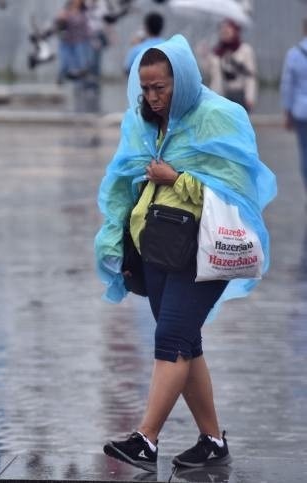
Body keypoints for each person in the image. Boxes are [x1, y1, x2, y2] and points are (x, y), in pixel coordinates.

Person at [94, 35, 276, 472]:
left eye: (162, 88)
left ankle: (146, 439)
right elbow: (123, 180)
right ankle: (212, 441)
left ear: (184, 80)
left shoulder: (219, 118)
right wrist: (115, 240)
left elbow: (236, 189)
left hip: (205, 251)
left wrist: (176, 177)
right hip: (156, 249)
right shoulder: (141, 123)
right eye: (146, 88)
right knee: (185, 344)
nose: (153, 98)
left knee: (170, 339)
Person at [280, 18, 307, 194]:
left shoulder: (294, 53)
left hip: (301, 111)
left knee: (305, 152)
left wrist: (287, 111)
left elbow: (287, 85)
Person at [207, 18, 257, 112]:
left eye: (228, 28)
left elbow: (250, 77)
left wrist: (250, 96)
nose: (225, 31)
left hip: (239, 95)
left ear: (235, 30)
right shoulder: (217, 52)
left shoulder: (245, 50)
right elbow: (211, 74)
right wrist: (205, 55)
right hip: (221, 95)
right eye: (222, 28)